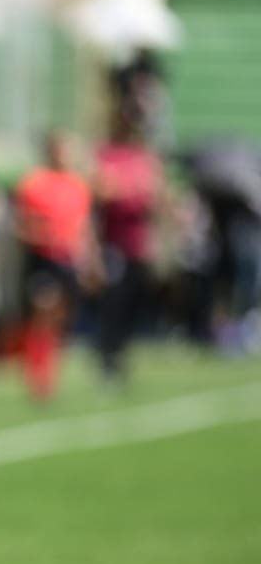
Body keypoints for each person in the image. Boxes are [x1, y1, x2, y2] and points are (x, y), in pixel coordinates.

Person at [13, 131, 95, 402]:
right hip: (42, 260)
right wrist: (44, 236)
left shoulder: (77, 185)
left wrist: (90, 260)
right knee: (43, 315)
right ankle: (39, 377)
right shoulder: (34, 184)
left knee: (60, 321)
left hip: (68, 261)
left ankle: (49, 372)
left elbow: (84, 229)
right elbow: (22, 225)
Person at [93, 102, 163, 386]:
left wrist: (128, 190)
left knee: (133, 304)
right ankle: (108, 359)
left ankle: (122, 356)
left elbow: (153, 193)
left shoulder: (143, 156)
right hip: (115, 244)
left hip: (139, 245)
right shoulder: (108, 154)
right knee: (114, 304)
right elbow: (105, 190)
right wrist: (130, 191)